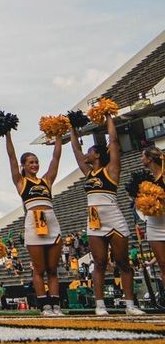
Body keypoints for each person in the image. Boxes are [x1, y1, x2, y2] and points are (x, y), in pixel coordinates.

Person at [70, 112, 144, 315]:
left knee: (123, 263)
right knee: (99, 263)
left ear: (97, 155)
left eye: (89, 151)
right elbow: (75, 149)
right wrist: (72, 127)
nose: (85, 154)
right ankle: (100, 305)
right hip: (94, 220)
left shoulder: (111, 170)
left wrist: (109, 116)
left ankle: (130, 305)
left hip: (113, 217)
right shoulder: (88, 173)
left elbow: (113, 141)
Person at [3, 128, 64, 316]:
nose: (35, 165)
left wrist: (59, 134)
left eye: (36, 162)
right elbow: (11, 157)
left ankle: (56, 305)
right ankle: (44, 306)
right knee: (39, 268)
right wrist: (7, 134)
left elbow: (56, 158)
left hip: (51, 223)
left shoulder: (46, 181)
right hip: (33, 223)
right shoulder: (21, 182)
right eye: (31, 162)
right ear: (23, 165)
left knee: (52, 269)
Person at [142, 147, 165, 291]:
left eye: (143, 156)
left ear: (149, 158)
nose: (141, 159)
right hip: (154, 225)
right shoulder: (146, 180)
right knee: (162, 265)